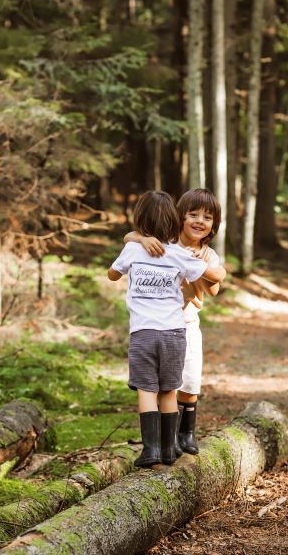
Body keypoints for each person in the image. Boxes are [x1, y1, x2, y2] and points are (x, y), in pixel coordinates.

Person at [108, 190, 225, 468]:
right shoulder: (169, 245)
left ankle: (185, 435)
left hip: (182, 323)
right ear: (177, 219)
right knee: (169, 387)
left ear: (213, 225)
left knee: (188, 382)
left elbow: (216, 287)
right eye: (193, 215)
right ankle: (167, 444)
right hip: (171, 328)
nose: (199, 221)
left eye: (207, 218)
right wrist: (143, 238)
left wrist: (202, 264)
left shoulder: (207, 254)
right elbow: (129, 237)